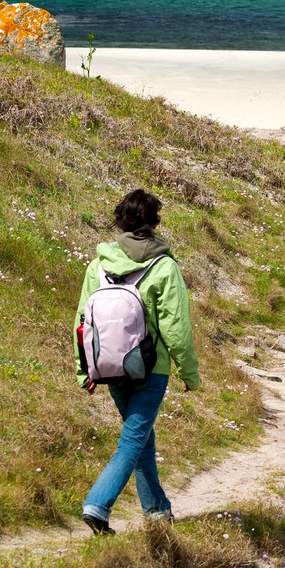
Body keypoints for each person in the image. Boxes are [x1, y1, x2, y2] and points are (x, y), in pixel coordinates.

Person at [73, 188, 200, 535]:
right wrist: (190, 373)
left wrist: (85, 369)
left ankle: (157, 512)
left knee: (141, 435)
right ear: (155, 222)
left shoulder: (97, 266)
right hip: (149, 369)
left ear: (120, 220)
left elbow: (82, 323)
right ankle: (97, 505)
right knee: (132, 439)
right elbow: (176, 328)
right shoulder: (164, 267)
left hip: (108, 368)